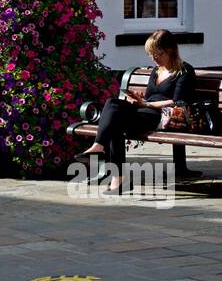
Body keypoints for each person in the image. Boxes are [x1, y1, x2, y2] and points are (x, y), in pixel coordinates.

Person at [80, 29, 195, 192]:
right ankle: (105, 158)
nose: (154, 58)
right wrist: (139, 99)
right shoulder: (157, 70)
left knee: (115, 121)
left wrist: (147, 105)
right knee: (112, 104)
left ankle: (113, 171)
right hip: (146, 111)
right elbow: (149, 97)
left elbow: (177, 102)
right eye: (151, 54)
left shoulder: (184, 71)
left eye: (158, 54)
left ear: (170, 50)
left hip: (162, 117)